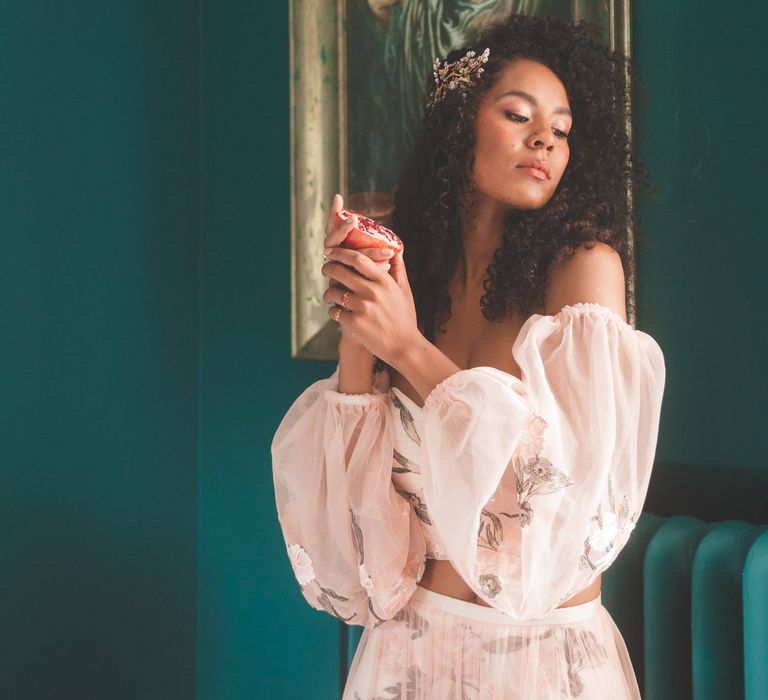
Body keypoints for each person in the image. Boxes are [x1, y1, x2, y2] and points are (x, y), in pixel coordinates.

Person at [272, 13, 665, 699]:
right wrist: (361, 329)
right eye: (518, 114)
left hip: (542, 660)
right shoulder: (415, 279)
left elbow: (560, 499)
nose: (545, 137)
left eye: (563, 130)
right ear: (460, 122)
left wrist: (408, 348)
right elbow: (361, 565)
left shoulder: (584, 273)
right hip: (409, 653)